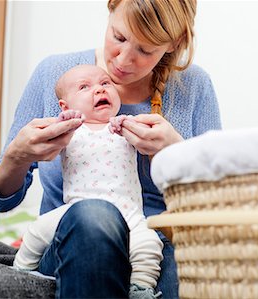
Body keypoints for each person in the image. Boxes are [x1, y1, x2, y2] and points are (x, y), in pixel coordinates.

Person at [0, 0, 221, 297]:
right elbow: (1, 201)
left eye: (145, 50)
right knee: (95, 216)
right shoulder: (55, 75)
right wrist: (17, 156)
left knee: (176, 261)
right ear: (110, 10)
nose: (122, 60)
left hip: (154, 251)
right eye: (118, 37)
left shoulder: (194, 87)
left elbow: (216, 208)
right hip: (73, 242)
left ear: (175, 43)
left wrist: (177, 152)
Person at [13, 64, 163, 298]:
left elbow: (149, 139)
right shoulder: (70, 130)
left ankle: (141, 287)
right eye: (84, 87)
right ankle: (21, 270)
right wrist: (65, 121)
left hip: (128, 212)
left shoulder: (123, 126)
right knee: (36, 230)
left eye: (105, 84)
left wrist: (131, 126)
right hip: (76, 210)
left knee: (149, 245)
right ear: (65, 106)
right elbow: (50, 137)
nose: (99, 90)